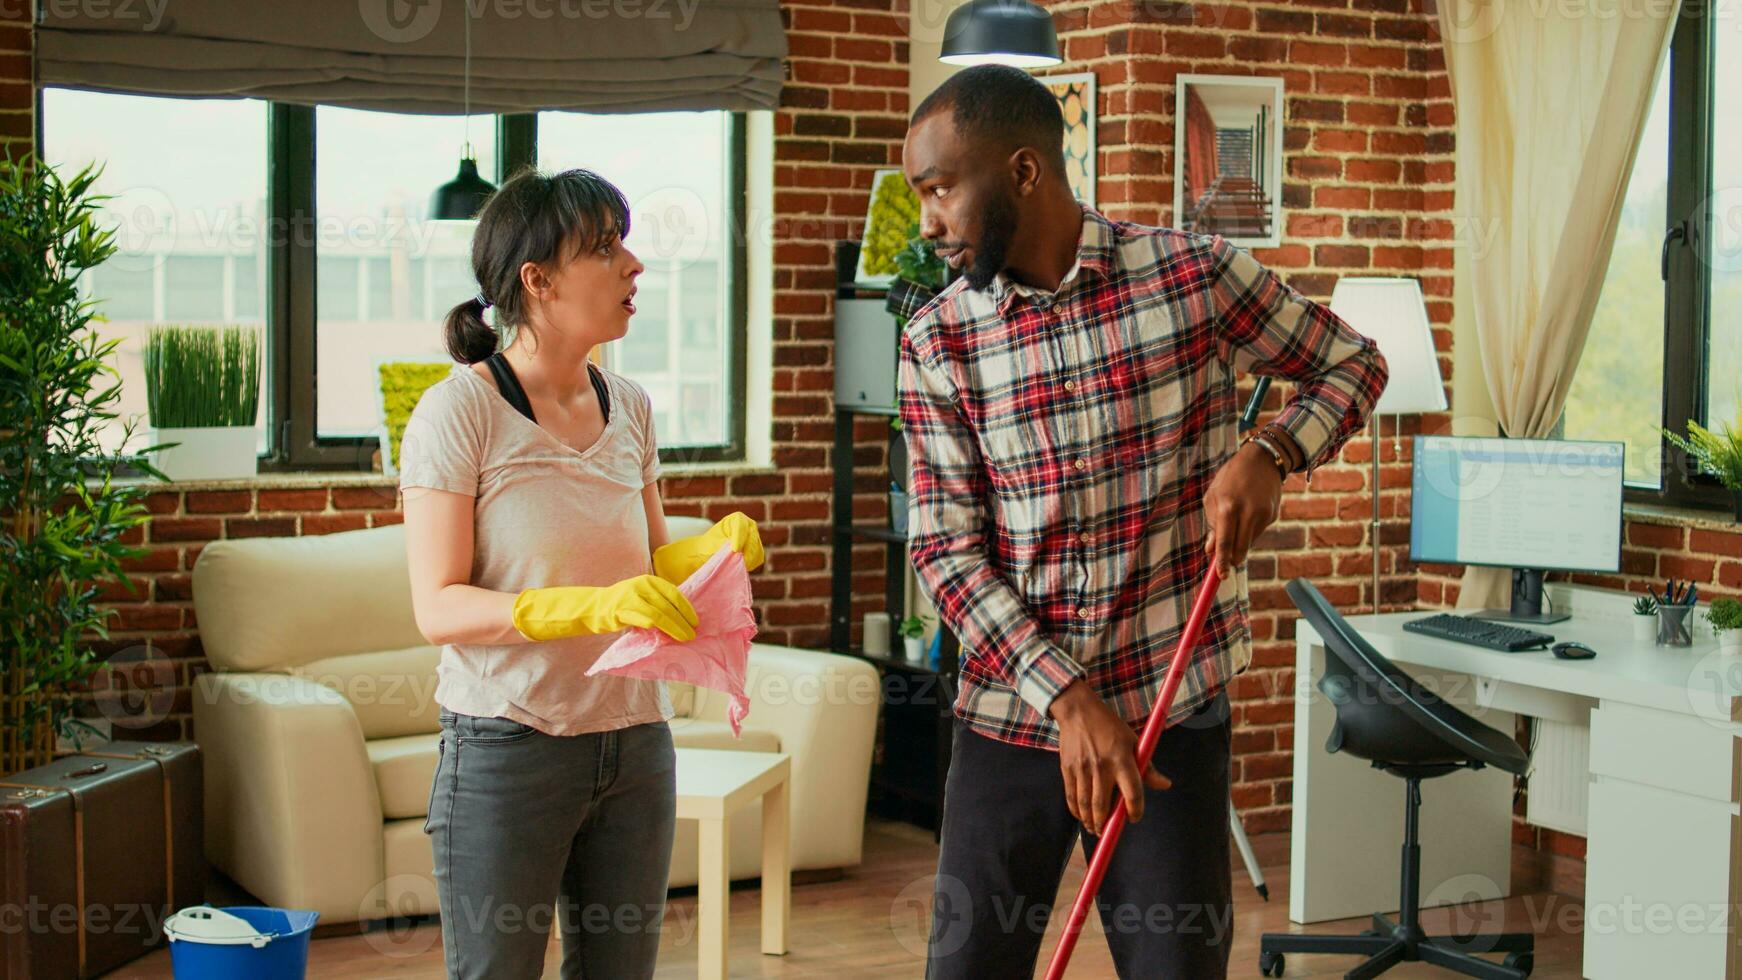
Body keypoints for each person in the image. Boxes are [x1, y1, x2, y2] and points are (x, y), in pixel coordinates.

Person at [896, 66, 1389, 978]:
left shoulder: (1192, 276)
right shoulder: (938, 341)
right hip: (1014, 724)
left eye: (939, 190)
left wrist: (1273, 452)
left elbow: (1351, 364)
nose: (929, 223)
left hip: (1170, 722)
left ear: (1024, 171)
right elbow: (946, 551)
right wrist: (1069, 700)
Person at [397, 167, 762, 980]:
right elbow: (439, 606)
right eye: (606, 247)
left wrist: (715, 549)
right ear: (538, 280)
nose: (634, 265)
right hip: (508, 746)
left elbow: (652, 558)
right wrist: (590, 608)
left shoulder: (628, 403)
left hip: (634, 741)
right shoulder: (460, 410)